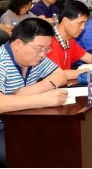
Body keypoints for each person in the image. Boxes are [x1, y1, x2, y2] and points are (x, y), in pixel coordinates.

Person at [0, 18, 68, 165]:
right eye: (39, 48)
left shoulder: (36, 58)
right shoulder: (1, 61)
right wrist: (43, 100)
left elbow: (60, 75)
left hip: (22, 120)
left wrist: (32, 90)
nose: (43, 54)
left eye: (47, 49)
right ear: (17, 44)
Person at [47, 1, 92, 80]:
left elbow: (89, 58)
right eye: (80, 23)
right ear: (66, 21)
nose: (83, 27)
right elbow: (57, 74)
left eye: (84, 23)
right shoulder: (48, 43)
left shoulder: (70, 40)